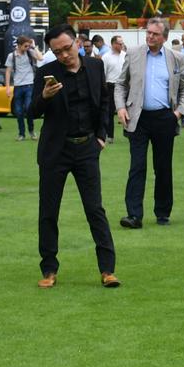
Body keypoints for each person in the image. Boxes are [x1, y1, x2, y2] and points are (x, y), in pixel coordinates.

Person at [29, 25, 118, 289]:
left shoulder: (95, 66)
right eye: (58, 52)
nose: (64, 55)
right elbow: (30, 111)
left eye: (67, 48)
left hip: (87, 148)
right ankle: (49, 269)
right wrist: (44, 97)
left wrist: (101, 136)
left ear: (77, 42)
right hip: (55, 151)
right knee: (48, 211)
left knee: (95, 209)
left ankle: (107, 270)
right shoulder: (46, 73)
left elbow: (103, 101)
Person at [115, 18, 184, 229]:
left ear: (164, 37)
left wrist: (178, 113)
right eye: (148, 32)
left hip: (165, 118)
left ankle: (163, 212)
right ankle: (134, 215)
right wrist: (121, 107)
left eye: (155, 34)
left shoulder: (176, 58)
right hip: (138, 118)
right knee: (137, 167)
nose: (150, 36)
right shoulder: (133, 54)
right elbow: (120, 84)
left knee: (163, 168)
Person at [5, 35, 42, 142]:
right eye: (25, 46)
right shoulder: (11, 56)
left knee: (28, 108)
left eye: (28, 46)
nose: (27, 48)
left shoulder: (30, 52)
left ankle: (31, 131)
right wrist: (7, 87)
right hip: (17, 85)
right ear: (19, 45)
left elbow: (40, 58)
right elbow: (8, 71)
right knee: (18, 111)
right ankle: (21, 134)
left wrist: (34, 47)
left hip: (29, 84)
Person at [100, 36, 127, 143]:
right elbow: (103, 74)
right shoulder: (106, 57)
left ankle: (129, 134)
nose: (121, 45)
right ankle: (109, 135)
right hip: (110, 86)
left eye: (122, 43)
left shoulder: (125, 56)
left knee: (128, 111)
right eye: (119, 43)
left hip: (124, 86)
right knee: (109, 112)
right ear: (113, 44)